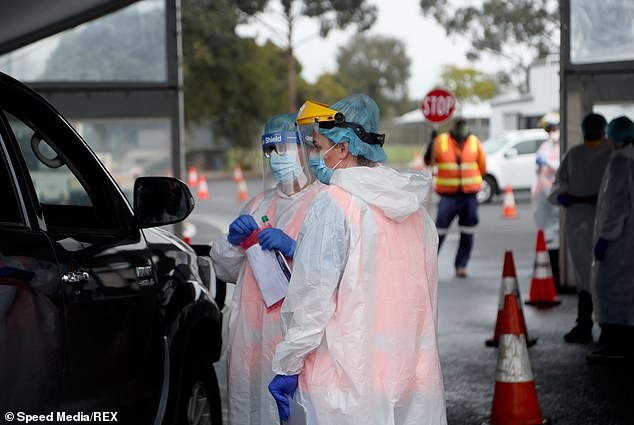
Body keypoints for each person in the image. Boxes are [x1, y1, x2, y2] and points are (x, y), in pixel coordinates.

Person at [268, 94, 447, 425]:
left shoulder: (332, 206)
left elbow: (312, 300)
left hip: (346, 379)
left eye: (320, 147)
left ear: (343, 148)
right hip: (409, 373)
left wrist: (288, 365)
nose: (315, 157)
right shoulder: (415, 211)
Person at [210, 113, 323, 425]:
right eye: (271, 152)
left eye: (284, 150)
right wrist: (232, 243)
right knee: (249, 410)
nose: (277, 159)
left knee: (290, 413)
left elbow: (337, 273)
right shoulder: (259, 204)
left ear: (304, 150)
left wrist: (295, 250)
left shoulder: (322, 204)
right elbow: (228, 271)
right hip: (250, 339)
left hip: (294, 342)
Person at [549, 113, 612, 344]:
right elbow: (558, 190)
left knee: (594, 277)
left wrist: (572, 198)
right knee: (589, 276)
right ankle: (590, 324)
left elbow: (558, 190)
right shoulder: (582, 155)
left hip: (590, 223)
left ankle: (604, 326)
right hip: (588, 224)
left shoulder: (613, 156)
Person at [588, 115, 634, 361]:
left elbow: (615, 205)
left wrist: (605, 237)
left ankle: (615, 343)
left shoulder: (620, 161)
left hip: (620, 240)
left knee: (609, 286)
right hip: (629, 239)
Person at [424, 116, 486, 278]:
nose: (461, 128)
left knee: (468, 231)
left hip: (469, 196)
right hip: (448, 196)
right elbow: (428, 161)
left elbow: (482, 166)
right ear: (453, 126)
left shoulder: (474, 142)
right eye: (458, 125)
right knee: (440, 231)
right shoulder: (441, 141)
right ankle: (428, 266)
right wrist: (431, 144)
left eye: (463, 125)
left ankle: (461, 266)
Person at [532, 113, 562, 291]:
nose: (553, 132)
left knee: (556, 230)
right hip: (543, 194)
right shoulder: (545, 146)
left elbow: (559, 167)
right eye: (550, 129)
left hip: (555, 193)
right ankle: (544, 265)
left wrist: (548, 163)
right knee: (544, 230)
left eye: (555, 128)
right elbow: (538, 168)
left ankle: (557, 270)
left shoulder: (563, 144)